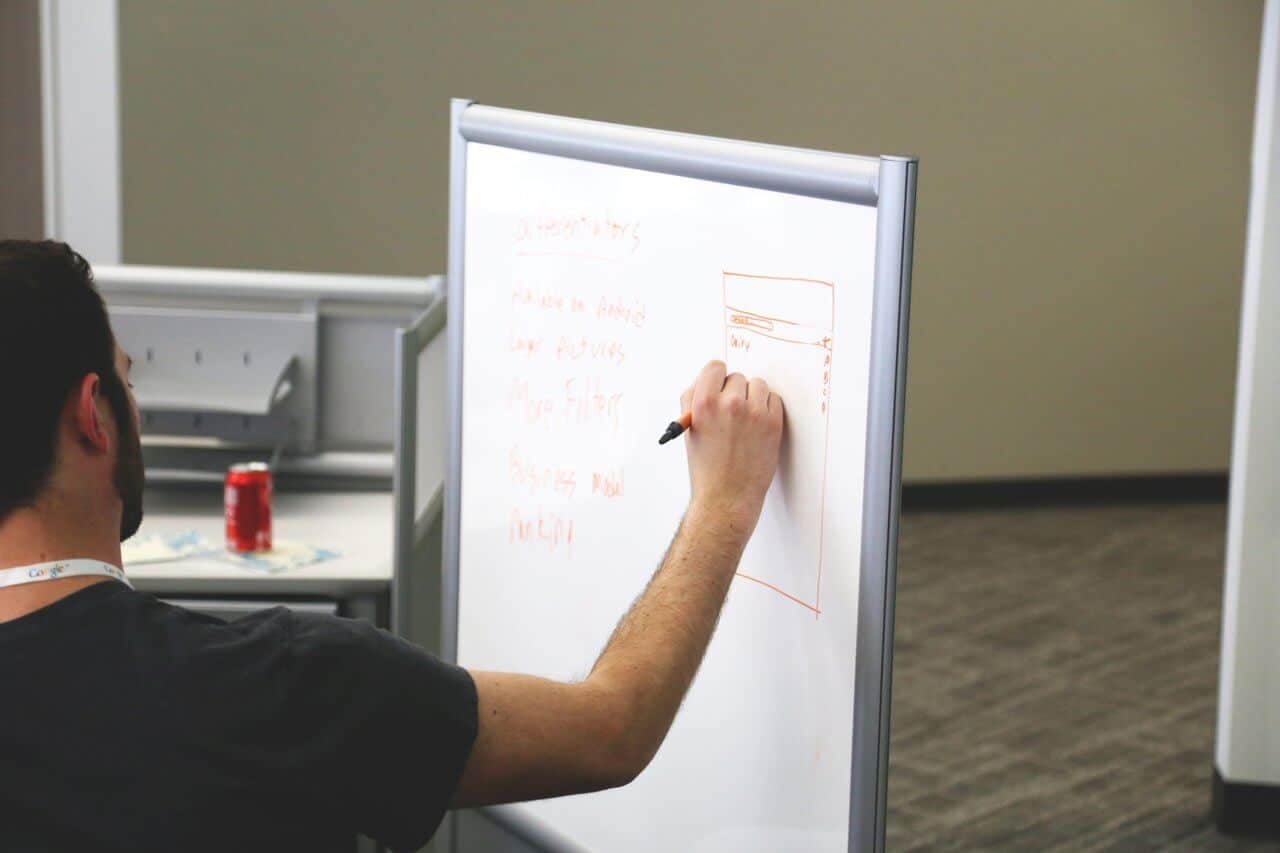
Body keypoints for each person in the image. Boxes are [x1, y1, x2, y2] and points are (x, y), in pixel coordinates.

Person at [0, 240, 784, 852]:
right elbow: (611, 729)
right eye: (126, 381)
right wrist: (724, 502)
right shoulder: (281, 687)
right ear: (93, 415)